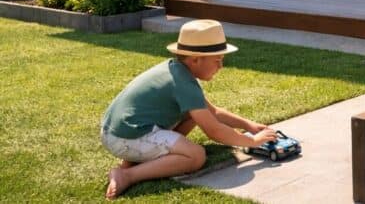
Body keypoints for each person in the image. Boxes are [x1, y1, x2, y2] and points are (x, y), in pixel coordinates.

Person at [101, 20, 278, 199]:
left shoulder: (176, 71)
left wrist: (248, 125)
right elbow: (214, 131)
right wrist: (253, 141)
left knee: (194, 115)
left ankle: (130, 163)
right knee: (195, 156)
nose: (221, 66)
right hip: (124, 137)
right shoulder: (184, 83)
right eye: (217, 60)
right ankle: (127, 175)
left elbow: (213, 112)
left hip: (118, 131)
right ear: (195, 60)